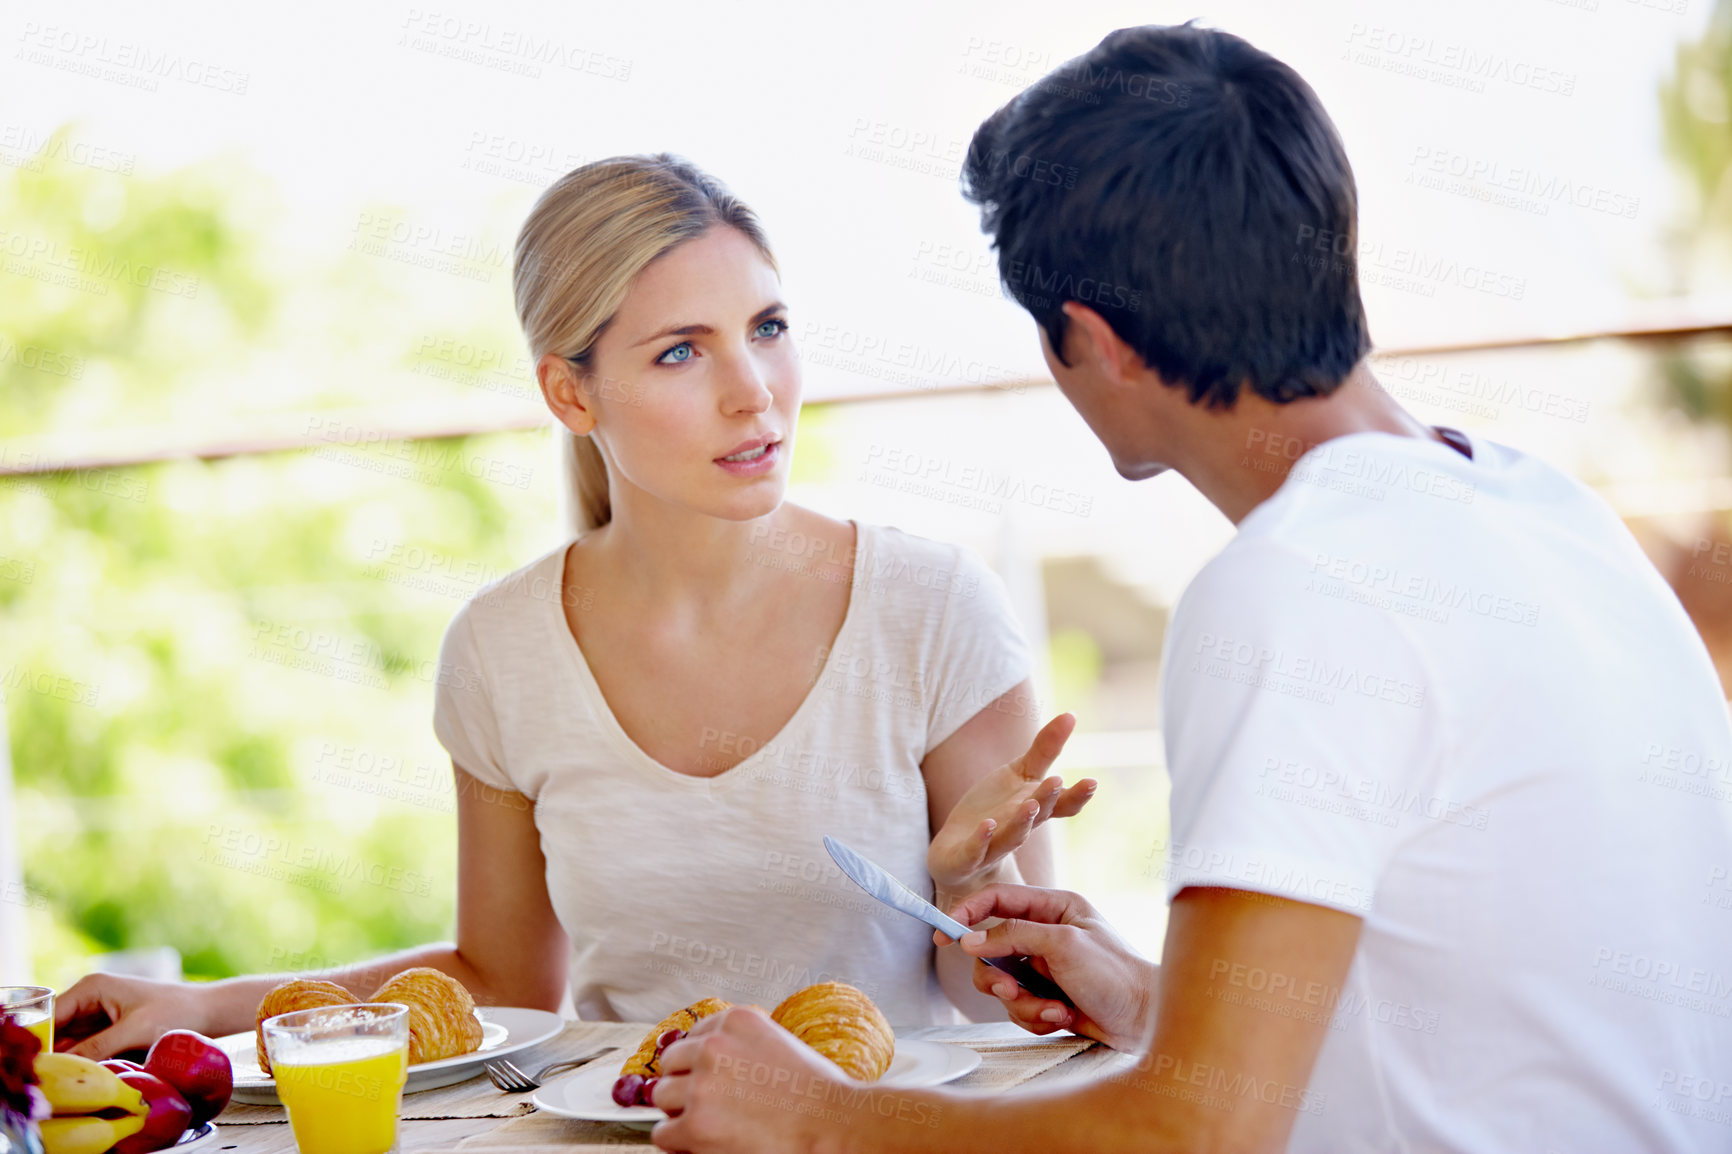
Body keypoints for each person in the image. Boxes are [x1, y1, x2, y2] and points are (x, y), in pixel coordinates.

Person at [648, 24, 1732, 1154]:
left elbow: (1192, 1134)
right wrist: (1164, 1003)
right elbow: (1519, 1015)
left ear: (1094, 341)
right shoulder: (1545, 509)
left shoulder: (1299, 584)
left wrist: (819, 1114)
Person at [51, 155, 1097, 1057]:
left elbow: (997, 1008)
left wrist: (974, 880)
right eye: (681, 350)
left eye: (767, 327)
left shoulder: (933, 608)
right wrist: (211, 1006)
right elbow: (499, 976)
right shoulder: (503, 650)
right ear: (569, 393)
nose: (754, 391)